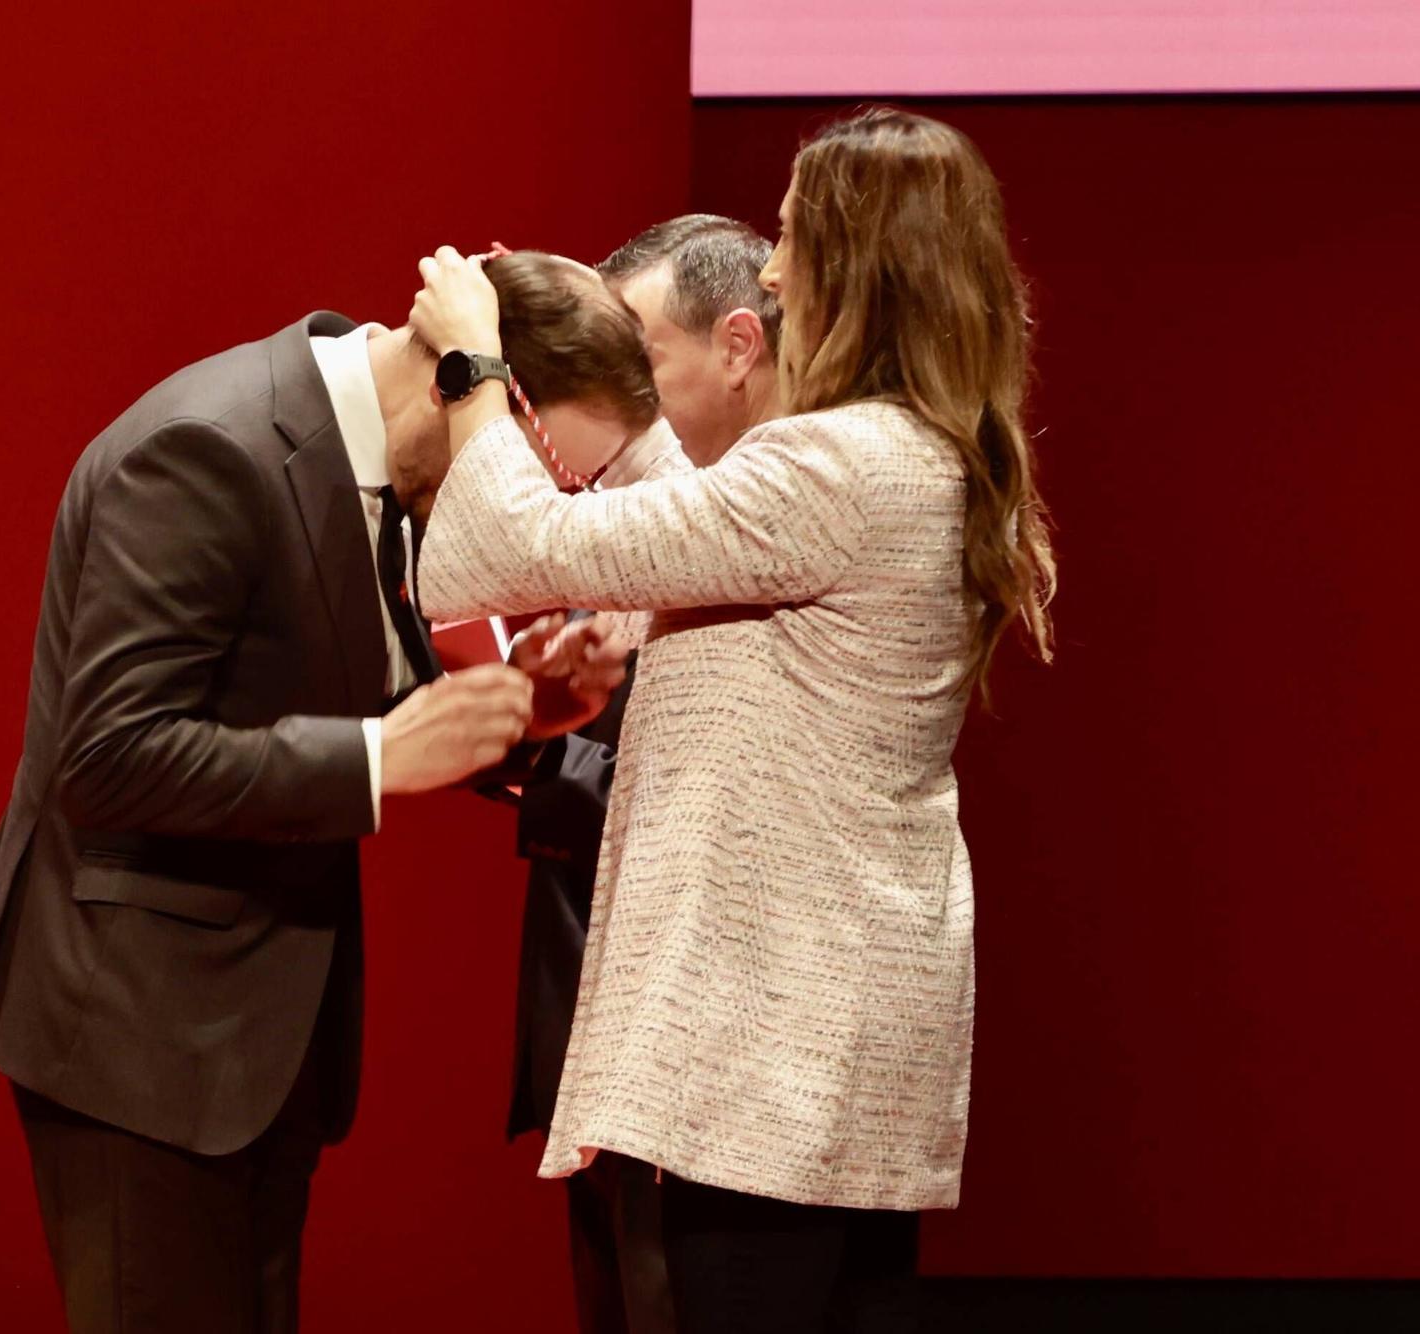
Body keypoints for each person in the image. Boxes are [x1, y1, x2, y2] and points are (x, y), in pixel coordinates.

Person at [412, 108, 1057, 1333]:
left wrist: (475, 369)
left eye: (794, 239)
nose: (767, 266)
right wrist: (649, 641)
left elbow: (507, 548)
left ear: (857, 268)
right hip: (832, 1038)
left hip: (767, 1055)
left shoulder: (836, 464)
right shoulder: (906, 454)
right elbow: (716, 545)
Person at [0, 251, 655, 1334]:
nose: (539, 512)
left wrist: (520, 717)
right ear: (467, 392)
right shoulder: (206, 450)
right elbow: (107, 755)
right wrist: (373, 757)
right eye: (555, 476)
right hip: (138, 1031)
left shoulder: (386, 468)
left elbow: (353, 680)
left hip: (254, 1038)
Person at [507, 216, 780, 1334]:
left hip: (707, 1037)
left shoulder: (778, 507)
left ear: (737, 344)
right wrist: (534, 719)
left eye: (642, 359)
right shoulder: (636, 515)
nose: (616, 395)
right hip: (591, 1001)